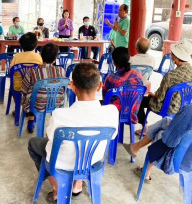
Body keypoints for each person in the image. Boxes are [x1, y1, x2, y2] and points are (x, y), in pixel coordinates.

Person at [28, 63, 118, 202]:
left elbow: (49, 137)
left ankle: (57, 189)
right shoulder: (111, 112)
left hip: (62, 165)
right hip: (92, 162)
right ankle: (77, 185)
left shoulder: (59, 114)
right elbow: (112, 136)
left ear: (72, 85)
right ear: (99, 86)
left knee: (34, 143)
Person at [136, 39, 192, 134]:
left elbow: (160, 97)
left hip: (169, 108)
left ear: (175, 56)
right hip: (186, 107)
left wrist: (152, 94)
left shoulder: (171, 75)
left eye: (172, 53)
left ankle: (145, 127)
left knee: (138, 100)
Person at [21, 43, 65, 133]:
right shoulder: (61, 71)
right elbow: (63, 89)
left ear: (40, 55)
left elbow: (24, 89)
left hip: (36, 105)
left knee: (30, 95)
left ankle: (31, 119)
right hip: (56, 104)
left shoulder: (32, 72)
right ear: (55, 58)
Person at [102, 47, 143, 123]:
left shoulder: (111, 78)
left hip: (114, 115)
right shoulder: (138, 74)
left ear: (114, 63)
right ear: (129, 58)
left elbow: (105, 96)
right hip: (132, 114)